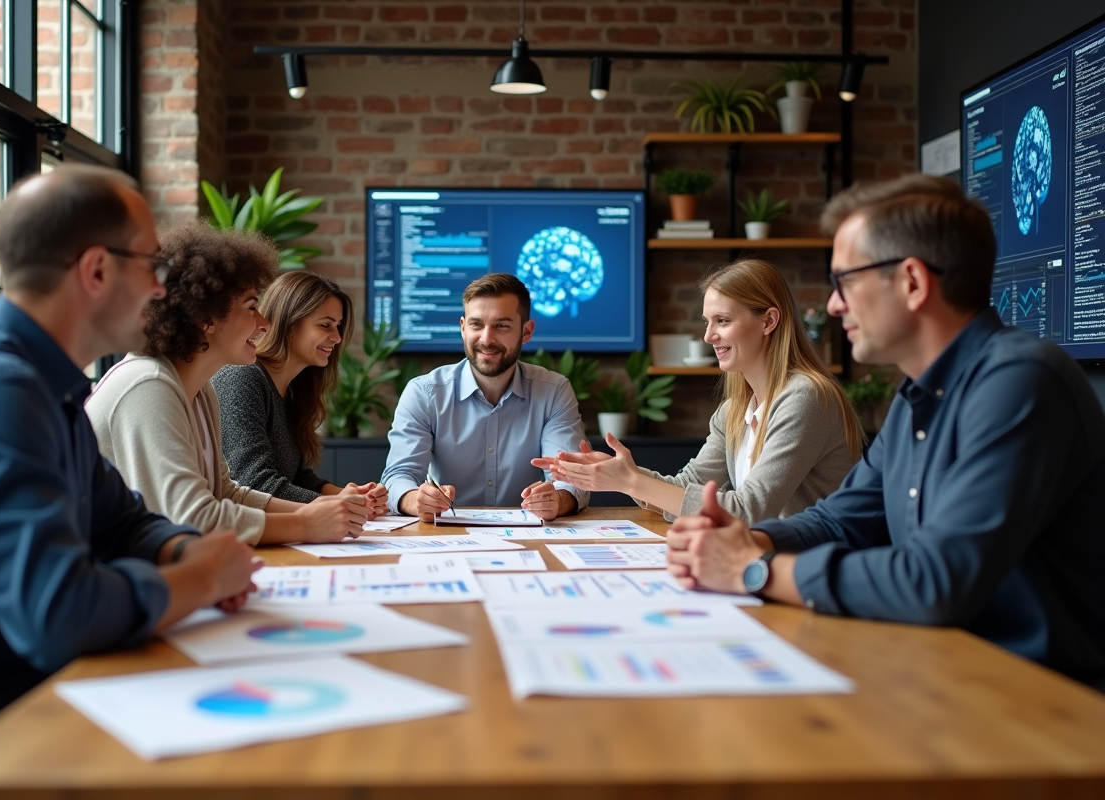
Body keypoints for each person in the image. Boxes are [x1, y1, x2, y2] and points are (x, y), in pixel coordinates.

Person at [666, 174, 1105, 689]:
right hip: (946, 672)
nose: (832, 305)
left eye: (845, 281)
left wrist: (753, 568)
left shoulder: (1020, 383)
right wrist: (746, 537)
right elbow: (839, 521)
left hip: (1040, 698)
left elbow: (936, 580)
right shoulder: (916, 396)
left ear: (913, 283)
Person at [0, 166, 259, 773]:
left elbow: (122, 520)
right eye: (153, 267)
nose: (160, 288)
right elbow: (58, 615)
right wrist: (199, 582)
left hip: (38, 693)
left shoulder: (45, 386)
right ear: (96, 270)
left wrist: (181, 551)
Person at [87, 223, 373, 545]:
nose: (264, 324)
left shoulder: (201, 392)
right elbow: (193, 518)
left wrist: (320, 511)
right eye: (252, 307)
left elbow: (226, 493)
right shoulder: (147, 385)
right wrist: (304, 524)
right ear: (205, 317)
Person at [536, 258, 862, 524]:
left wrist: (629, 480)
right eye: (707, 322)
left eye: (722, 321)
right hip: (769, 562)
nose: (708, 336)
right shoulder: (734, 410)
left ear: (768, 321)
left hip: (816, 574)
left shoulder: (805, 397)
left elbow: (748, 511)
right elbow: (685, 490)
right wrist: (619, 473)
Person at [382, 273, 589, 522]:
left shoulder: (554, 391)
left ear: (526, 331)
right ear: (462, 327)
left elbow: (570, 479)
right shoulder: (424, 393)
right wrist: (415, 500)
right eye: (476, 325)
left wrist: (557, 500)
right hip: (447, 535)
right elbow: (398, 476)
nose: (487, 339)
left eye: (501, 325)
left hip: (530, 537)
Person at [211, 271, 388, 512]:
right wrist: (340, 505)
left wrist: (354, 496)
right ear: (289, 324)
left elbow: (296, 477)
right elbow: (254, 483)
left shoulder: (292, 391)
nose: (336, 338)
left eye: (337, 326)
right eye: (325, 325)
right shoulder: (242, 377)